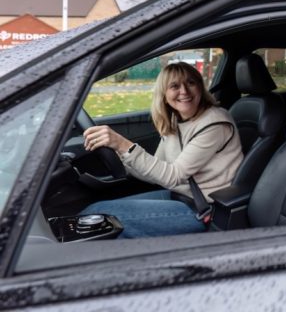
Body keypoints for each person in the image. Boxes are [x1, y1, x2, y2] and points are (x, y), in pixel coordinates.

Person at [81, 62, 243, 238]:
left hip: (203, 208)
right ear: (164, 95)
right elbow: (156, 172)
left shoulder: (214, 124)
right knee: (97, 213)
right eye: (174, 86)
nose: (184, 91)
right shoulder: (176, 120)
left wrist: (121, 144)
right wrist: (119, 159)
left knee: (98, 217)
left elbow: (173, 176)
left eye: (190, 83)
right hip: (180, 196)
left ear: (200, 87)